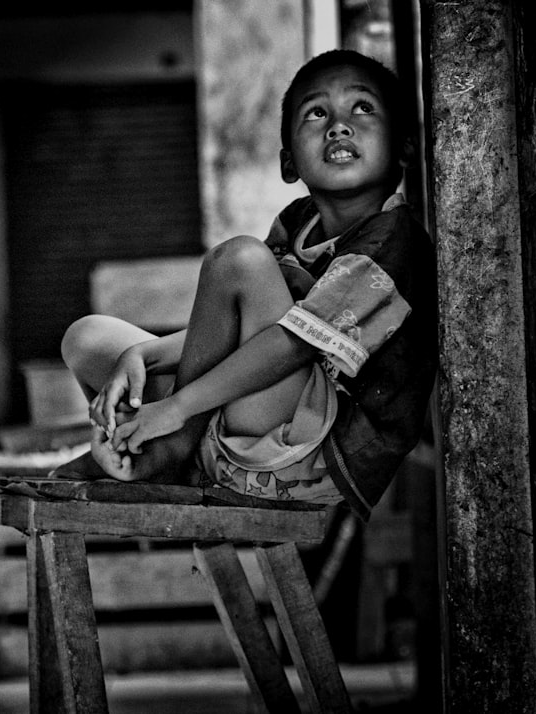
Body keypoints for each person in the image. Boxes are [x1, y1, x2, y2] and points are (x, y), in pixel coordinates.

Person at [60, 49, 438, 521]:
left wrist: (175, 409)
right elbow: (245, 328)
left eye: (362, 108)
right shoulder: (298, 222)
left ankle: (170, 449)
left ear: (405, 145)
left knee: (238, 259)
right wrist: (142, 356)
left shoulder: (391, 242)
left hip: (309, 453)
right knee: (88, 339)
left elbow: (291, 346)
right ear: (288, 164)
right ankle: (160, 452)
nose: (338, 126)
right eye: (317, 113)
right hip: (247, 426)